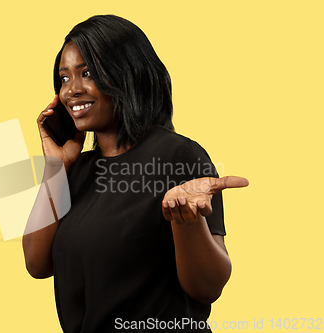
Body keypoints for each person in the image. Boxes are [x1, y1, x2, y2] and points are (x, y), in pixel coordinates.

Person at [22, 15, 248, 333]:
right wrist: (55, 167)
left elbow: (208, 287)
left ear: (127, 73)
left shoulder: (177, 155)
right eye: (63, 78)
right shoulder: (78, 170)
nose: (71, 90)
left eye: (86, 73)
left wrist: (188, 222)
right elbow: (37, 264)